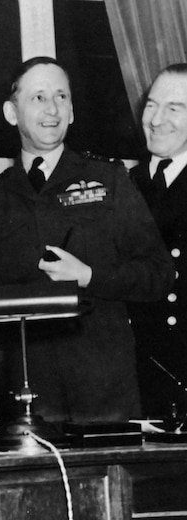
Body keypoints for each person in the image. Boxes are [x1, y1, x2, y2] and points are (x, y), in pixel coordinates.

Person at [0, 56, 173, 425]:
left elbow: (159, 275)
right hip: (26, 394)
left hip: (103, 389)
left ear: (72, 111)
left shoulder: (110, 181)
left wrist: (92, 277)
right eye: (38, 98)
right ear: (11, 112)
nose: (52, 109)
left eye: (61, 97)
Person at [128, 63, 187, 419]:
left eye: (174, 108)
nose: (156, 119)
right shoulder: (122, 187)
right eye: (152, 105)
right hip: (132, 383)